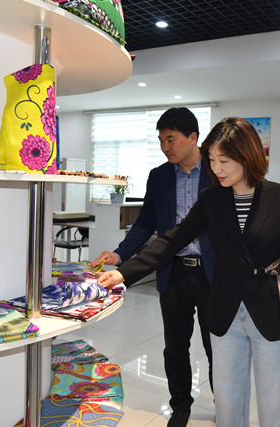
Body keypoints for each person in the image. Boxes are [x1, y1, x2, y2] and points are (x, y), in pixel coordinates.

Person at [98, 116, 280, 427]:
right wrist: (124, 272)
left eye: (224, 161)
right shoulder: (212, 199)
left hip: (270, 306)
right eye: (212, 159)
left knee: (276, 400)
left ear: (247, 156)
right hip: (226, 308)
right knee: (228, 398)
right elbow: (173, 239)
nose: (216, 169)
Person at [89, 107, 215, 427]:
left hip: (213, 273)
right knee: (175, 347)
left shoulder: (217, 170)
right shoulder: (159, 176)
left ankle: (225, 402)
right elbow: (146, 223)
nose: (164, 147)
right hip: (173, 272)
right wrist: (120, 255)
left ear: (193, 138)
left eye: (171, 139)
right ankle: (180, 406)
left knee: (219, 346)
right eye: (160, 140)